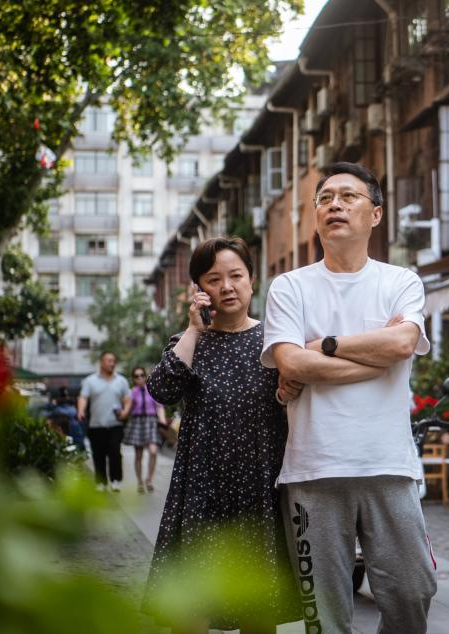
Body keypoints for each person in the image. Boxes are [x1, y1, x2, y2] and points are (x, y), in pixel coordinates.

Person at [261, 162, 436, 634]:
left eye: (348, 196)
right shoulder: (289, 286)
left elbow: (402, 345)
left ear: (375, 214)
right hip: (313, 471)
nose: (334, 205)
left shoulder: (401, 281)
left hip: (388, 466)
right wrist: (371, 356)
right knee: (326, 615)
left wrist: (324, 345)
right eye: (325, 198)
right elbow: (292, 365)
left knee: (412, 592)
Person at [144, 236, 301, 634]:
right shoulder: (188, 344)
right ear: (198, 290)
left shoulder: (277, 342)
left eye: (236, 275)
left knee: (257, 614)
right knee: (190, 615)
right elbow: (161, 389)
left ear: (253, 281)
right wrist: (194, 331)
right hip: (201, 494)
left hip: (259, 493)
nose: (226, 287)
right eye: (214, 279)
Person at [78, 351, 131, 492]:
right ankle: (100, 482)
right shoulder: (90, 380)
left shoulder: (122, 380)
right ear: (101, 362)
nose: (112, 363)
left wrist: (125, 411)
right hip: (96, 425)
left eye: (113, 360)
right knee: (98, 454)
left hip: (115, 425)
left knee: (115, 452)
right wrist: (81, 410)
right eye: (109, 360)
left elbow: (127, 399)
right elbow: (83, 397)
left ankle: (116, 480)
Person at [122, 366, 167, 493]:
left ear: (145, 376)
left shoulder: (152, 390)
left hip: (151, 421)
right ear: (134, 379)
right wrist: (122, 414)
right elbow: (128, 408)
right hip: (138, 422)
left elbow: (159, 407)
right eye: (136, 376)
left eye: (142, 375)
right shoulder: (133, 392)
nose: (140, 378)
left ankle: (149, 480)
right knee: (139, 455)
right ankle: (140, 482)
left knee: (153, 451)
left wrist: (162, 419)